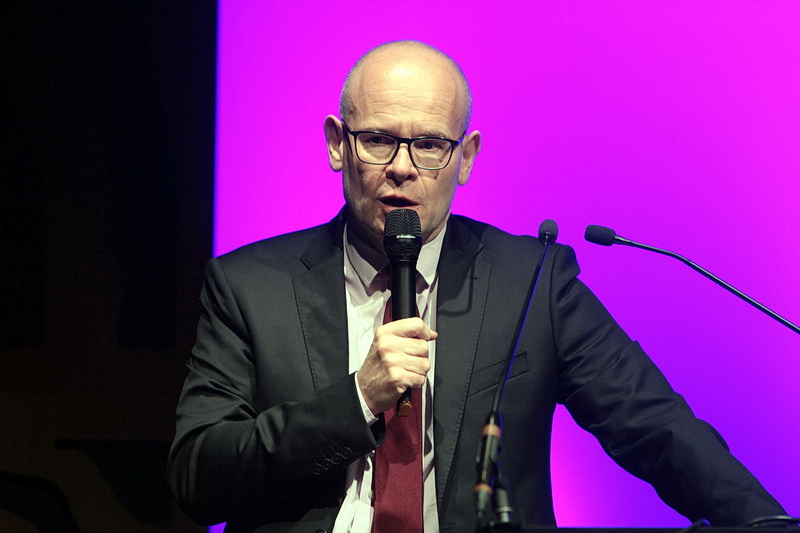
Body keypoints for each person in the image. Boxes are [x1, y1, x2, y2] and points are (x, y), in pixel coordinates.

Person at [167, 40, 786, 533]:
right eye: (379, 139)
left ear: (465, 158)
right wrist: (357, 399)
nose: (403, 167)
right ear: (338, 145)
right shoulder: (249, 286)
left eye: (430, 145)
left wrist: (771, 524)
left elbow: (656, 428)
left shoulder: (533, 281)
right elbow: (198, 477)